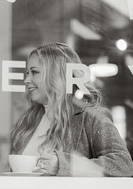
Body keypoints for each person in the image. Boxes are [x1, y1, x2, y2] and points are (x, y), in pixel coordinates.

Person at [11, 42, 133, 177]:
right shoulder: (29, 120)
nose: (26, 80)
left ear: (56, 75)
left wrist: (63, 164)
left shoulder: (90, 117)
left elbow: (124, 164)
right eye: (27, 73)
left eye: (34, 72)